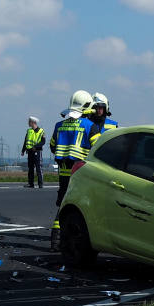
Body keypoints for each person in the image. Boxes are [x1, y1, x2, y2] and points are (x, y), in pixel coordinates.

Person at [49, 91, 93, 249]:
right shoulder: (89, 126)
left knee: (63, 205)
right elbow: (97, 149)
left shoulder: (59, 125)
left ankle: (56, 241)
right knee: (82, 208)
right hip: (81, 173)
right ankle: (76, 241)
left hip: (64, 172)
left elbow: (52, 146)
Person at [21, 116, 46, 188]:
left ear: (33, 122)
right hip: (30, 152)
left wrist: (36, 146)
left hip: (37, 152)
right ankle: (30, 183)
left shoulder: (41, 131)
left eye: (29, 122)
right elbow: (25, 141)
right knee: (30, 168)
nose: (28, 123)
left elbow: (43, 142)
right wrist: (23, 150)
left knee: (38, 168)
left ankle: (40, 184)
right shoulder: (29, 131)